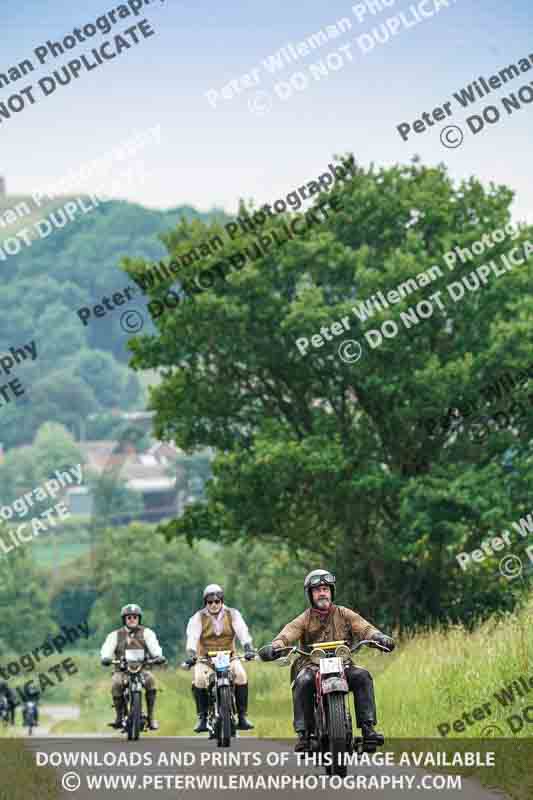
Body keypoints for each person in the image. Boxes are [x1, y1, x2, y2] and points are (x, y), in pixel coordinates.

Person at [261, 569, 395, 753]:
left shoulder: (344, 613)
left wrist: (379, 637)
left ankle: (368, 729)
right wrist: (275, 646)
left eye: (325, 588)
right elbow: (288, 633)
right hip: (312, 665)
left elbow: (364, 628)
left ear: (331, 591)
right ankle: (304, 734)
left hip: (343, 664)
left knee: (362, 676)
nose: (322, 593)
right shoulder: (305, 618)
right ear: (310, 595)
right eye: (317, 590)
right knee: (303, 681)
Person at [185, 583, 255, 733]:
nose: (214, 605)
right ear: (206, 603)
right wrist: (191, 653)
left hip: (229, 656)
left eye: (217, 601)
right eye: (210, 602)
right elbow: (193, 637)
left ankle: (242, 717)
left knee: (241, 675)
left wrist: (248, 647)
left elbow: (243, 632)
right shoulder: (198, 617)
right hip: (206, 659)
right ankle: (202, 718)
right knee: (199, 679)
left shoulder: (233, 614)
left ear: (222, 601)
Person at [100, 603, 166, 730]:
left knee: (151, 680)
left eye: (135, 617)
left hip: (142, 670)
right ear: (124, 619)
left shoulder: (147, 633)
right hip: (122, 670)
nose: (132, 620)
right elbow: (107, 648)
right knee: (116, 683)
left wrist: (158, 656)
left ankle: (151, 717)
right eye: (129, 617)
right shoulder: (115, 635)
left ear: (139, 619)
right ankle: (119, 717)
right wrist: (106, 657)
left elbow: (154, 647)